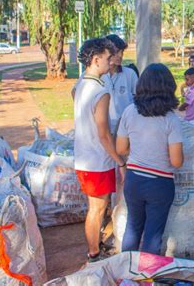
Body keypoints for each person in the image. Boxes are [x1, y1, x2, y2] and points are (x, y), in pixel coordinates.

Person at [116, 63, 183, 255]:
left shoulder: (129, 111)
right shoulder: (170, 119)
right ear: (168, 87)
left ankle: (126, 276)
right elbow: (177, 161)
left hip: (134, 179)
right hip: (160, 183)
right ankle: (146, 280)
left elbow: (120, 148)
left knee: (133, 227)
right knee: (153, 234)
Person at [74, 38, 126, 263]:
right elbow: (104, 134)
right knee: (97, 208)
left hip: (84, 156)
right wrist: (120, 160)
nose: (110, 61)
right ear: (96, 60)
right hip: (97, 159)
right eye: (107, 58)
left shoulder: (80, 84)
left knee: (95, 207)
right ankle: (94, 253)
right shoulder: (100, 92)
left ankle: (95, 246)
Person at [72, 34, 138, 135]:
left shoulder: (130, 74)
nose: (120, 56)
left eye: (122, 52)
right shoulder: (93, 73)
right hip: (102, 128)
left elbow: (138, 99)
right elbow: (75, 91)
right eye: (116, 52)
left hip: (125, 128)